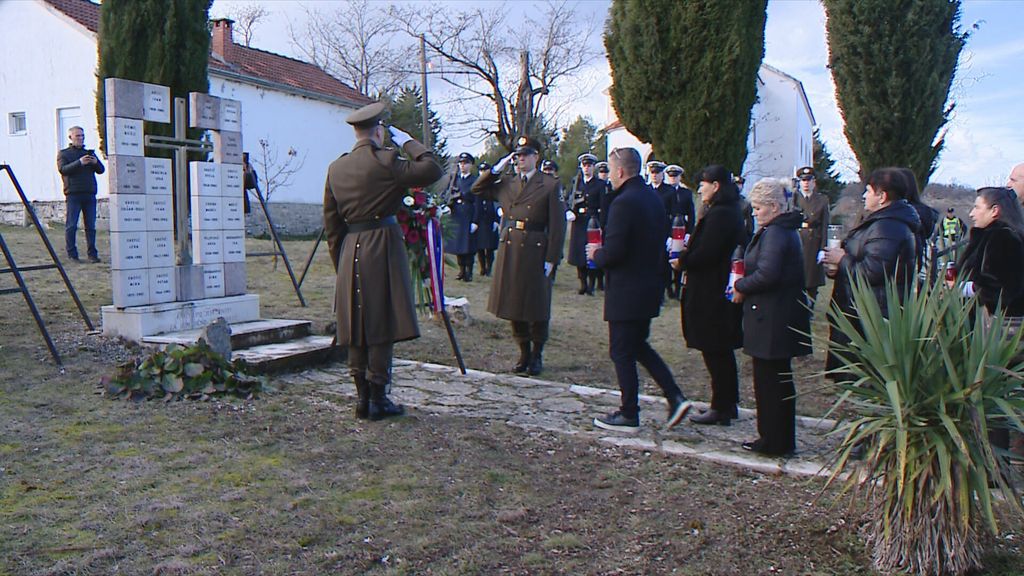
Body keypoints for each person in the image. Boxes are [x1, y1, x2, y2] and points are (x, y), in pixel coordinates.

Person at [323, 102, 443, 420]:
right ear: (379, 131)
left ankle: (362, 397)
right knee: (381, 320)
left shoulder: (337, 168)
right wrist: (406, 141)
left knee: (357, 322)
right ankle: (378, 396)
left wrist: (342, 265)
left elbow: (332, 225)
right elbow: (432, 168)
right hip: (382, 244)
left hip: (351, 248)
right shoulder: (387, 160)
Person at [587, 147, 693, 432]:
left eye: (610, 170)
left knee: (621, 351)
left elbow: (617, 250)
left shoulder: (625, 202)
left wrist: (596, 254)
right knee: (638, 346)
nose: (608, 177)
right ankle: (675, 396)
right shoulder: (651, 197)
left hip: (628, 288)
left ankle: (629, 412)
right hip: (649, 284)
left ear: (620, 171)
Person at [471, 137, 566, 376]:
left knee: (536, 303)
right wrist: (495, 169)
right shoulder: (506, 183)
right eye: (517, 155)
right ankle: (523, 351)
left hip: (536, 246)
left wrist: (552, 257)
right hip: (511, 246)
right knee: (513, 302)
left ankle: (537, 354)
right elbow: (477, 189)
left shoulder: (550, 184)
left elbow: (558, 225)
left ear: (536, 157)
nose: (520, 159)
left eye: (525, 155)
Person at [732, 178, 811, 455]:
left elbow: (768, 274)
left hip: (774, 316)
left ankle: (774, 440)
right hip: (774, 314)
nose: (754, 213)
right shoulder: (778, 231)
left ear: (775, 207)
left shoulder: (777, 234)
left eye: (758, 208)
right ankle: (775, 437)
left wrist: (740, 285)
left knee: (771, 382)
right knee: (772, 379)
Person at [821, 167, 920, 379]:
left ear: (882, 196)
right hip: (860, 311)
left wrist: (842, 260)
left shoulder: (888, 228)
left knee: (861, 382)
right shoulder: (878, 222)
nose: (864, 196)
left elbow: (871, 272)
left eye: (868, 191)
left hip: (871, 317)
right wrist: (837, 266)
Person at [673, 165, 746, 425]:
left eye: (704, 184)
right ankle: (727, 402)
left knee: (716, 348)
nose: (700, 188)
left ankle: (722, 406)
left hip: (712, 292)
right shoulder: (723, 211)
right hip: (712, 288)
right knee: (718, 350)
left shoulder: (722, 215)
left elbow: (707, 253)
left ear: (716, 186)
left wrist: (682, 261)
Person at [954, 186, 1024, 454]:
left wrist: (969, 288)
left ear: (995, 211)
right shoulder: (996, 235)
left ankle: (995, 460)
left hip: (1000, 324)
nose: (971, 213)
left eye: (977, 207)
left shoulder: (1004, 238)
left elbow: (1005, 288)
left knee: (992, 391)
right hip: (996, 321)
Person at [58, 126, 105, 263]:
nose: (80, 138)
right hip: (73, 194)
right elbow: (63, 169)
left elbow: (101, 170)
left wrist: (95, 162)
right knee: (72, 225)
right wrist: (79, 163)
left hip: (89, 193)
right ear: (70, 138)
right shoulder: (64, 154)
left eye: (82, 136)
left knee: (90, 226)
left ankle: (92, 254)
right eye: (77, 136)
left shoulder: (89, 153)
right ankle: (72, 254)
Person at [566, 153, 604, 295]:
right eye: (584, 165)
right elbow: (567, 199)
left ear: (593, 167)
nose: (587, 168)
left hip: (593, 222)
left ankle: (592, 284)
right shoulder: (576, 183)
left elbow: (603, 205)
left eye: (589, 165)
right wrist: (569, 211)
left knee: (592, 253)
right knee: (579, 254)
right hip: (579, 221)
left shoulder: (600, 184)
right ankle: (582, 283)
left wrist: (601, 224)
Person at [794, 166, 829, 308]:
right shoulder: (793, 198)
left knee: (812, 278)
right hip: (797, 239)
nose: (806, 183)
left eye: (808, 180)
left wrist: (823, 248)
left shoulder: (822, 200)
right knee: (797, 275)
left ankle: (810, 307)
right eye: (803, 180)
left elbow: (825, 225)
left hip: (814, 241)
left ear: (814, 182)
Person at [444, 152, 481, 282]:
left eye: (465, 163)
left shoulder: (475, 180)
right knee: (459, 245)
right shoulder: (455, 179)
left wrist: (475, 220)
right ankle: (461, 270)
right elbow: (448, 194)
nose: (462, 166)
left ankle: (469, 271)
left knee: (468, 246)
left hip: (468, 213)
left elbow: (478, 201)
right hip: (457, 213)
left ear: (471, 165)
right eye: (461, 163)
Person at [664, 164, 696, 300]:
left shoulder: (685, 193)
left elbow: (691, 214)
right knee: (665, 261)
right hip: (667, 230)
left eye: (675, 176)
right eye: (670, 176)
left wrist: (689, 232)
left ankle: (677, 289)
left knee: (679, 258)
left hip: (681, 230)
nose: (673, 179)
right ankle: (668, 288)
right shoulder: (664, 191)